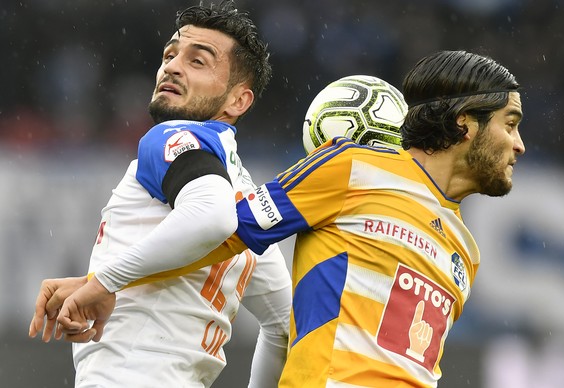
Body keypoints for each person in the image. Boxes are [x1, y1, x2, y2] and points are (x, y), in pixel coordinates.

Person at [32, 49, 525, 387]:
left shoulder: (467, 249)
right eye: (510, 125)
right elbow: (225, 232)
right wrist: (102, 281)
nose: (519, 145)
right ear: (464, 124)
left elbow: (285, 322)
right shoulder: (351, 167)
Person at [29, 2, 292, 387]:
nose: (171, 66)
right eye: (170, 54)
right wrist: (99, 279)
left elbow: (211, 216)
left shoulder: (169, 137)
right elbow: (285, 327)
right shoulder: (245, 199)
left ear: (238, 101)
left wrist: (104, 282)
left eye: (198, 61)